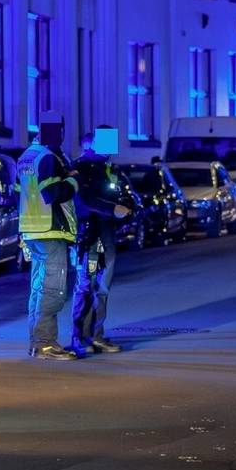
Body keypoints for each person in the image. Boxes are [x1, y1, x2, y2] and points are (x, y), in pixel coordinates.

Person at [17, 111, 81, 360]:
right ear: (58, 131)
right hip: (50, 230)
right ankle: (45, 343)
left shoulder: (26, 156)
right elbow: (52, 194)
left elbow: (17, 194)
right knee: (53, 289)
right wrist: (73, 181)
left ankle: (36, 342)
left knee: (38, 288)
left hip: (31, 232)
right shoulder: (47, 158)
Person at [70, 139, 138, 354]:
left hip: (106, 232)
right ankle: (81, 338)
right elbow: (85, 201)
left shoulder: (109, 168)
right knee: (86, 285)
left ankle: (96, 335)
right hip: (89, 235)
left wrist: (127, 207)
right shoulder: (80, 167)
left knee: (103, 287)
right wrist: (113, 209)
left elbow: (122, 194)